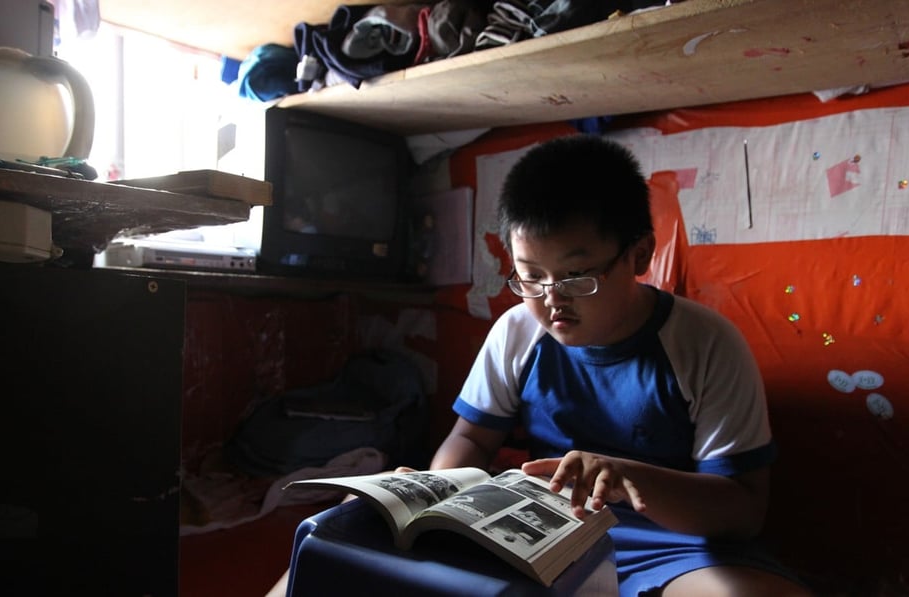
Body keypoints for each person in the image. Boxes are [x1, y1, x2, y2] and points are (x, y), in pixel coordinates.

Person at [266, 134, 812, 597]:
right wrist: (431, 494)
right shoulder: (519, 331)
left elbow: (743, 510)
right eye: (530, 276)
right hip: (537, 534)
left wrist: (629, 480)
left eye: (577, 278)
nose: (552, 300)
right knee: (321, 558)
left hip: (673, 548)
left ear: (640, 256)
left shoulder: (706, 344)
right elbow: (472, 440)